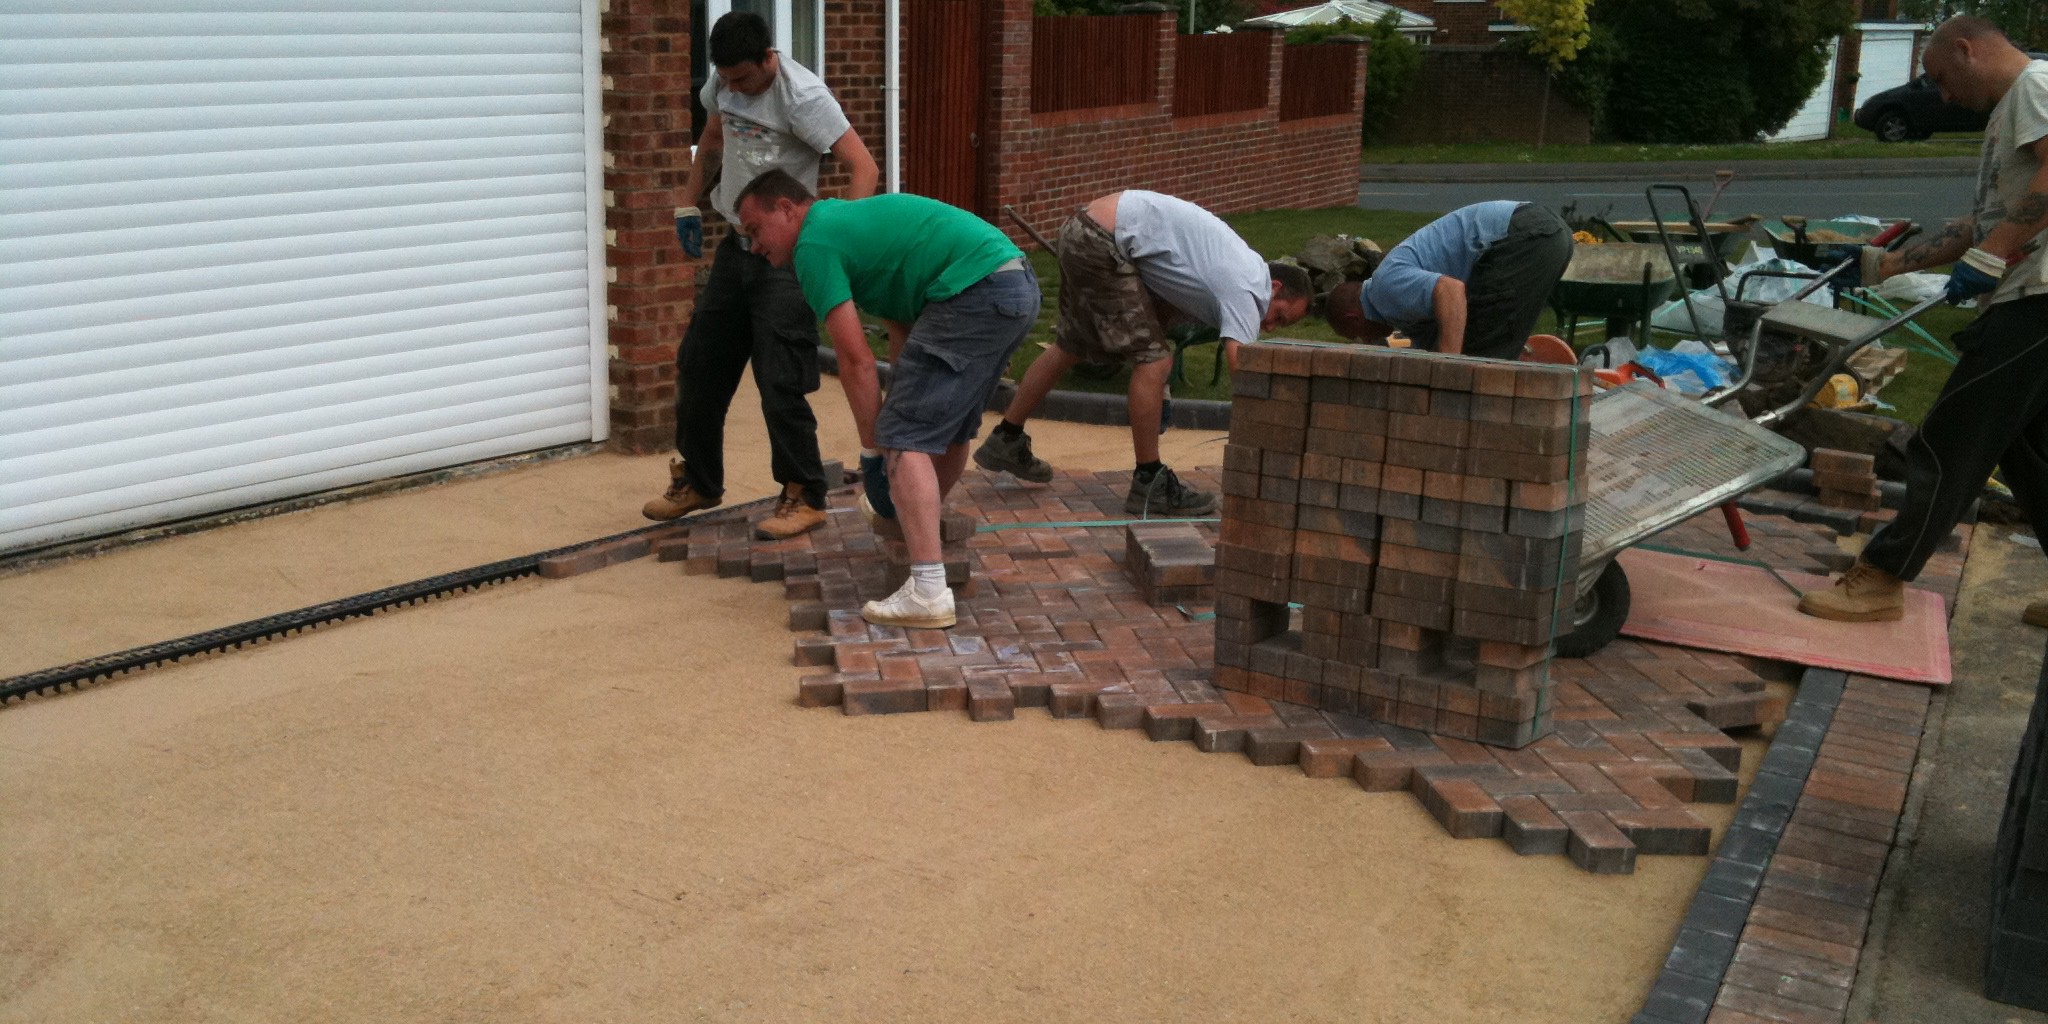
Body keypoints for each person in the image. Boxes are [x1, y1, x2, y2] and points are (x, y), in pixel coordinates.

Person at [1800, 17, 2048, 623]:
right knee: (2028, 453)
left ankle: (1884, 578)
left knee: (1949, 439)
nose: (1942, 94)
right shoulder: (2012, 108)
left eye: (1941, 77)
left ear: (1967, 50)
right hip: (2030, 294)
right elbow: (1981, 227)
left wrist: (1993, 257)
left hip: (2039, 301)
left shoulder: (2036, 87)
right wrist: (1882, 265)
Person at [733, 170, 1039, 630]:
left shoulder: (813, 245)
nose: (755, 246)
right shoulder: (848, 228)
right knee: (945, 430)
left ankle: (928, 590)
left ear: (787, 208)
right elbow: (903, 332)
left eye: (755, 230)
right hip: (1012, 285)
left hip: (975, 290)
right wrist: (898, 423)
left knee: (903, 436)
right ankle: (912, 523)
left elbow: (855, 362)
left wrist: (875, 451)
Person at [641, 11, 879, 541]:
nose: (736, 90)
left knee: (780, 377)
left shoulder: (804, 98)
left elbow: (863, 166)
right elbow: (712, 140)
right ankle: (699, 481)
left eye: (745, 79)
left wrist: (839, 238)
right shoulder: (723, 83)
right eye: (727, 80)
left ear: (769, 58)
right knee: (699, 364)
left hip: (790, 256)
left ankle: (803, 494)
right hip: (738, 245)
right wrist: (687, 201)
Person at [971, 190, 1313, 516]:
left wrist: (1159, 394)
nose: (1270, 327)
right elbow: (1242, 368)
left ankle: (1006, 438)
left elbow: (1157, 313)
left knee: (1073, 346)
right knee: (1155, 361)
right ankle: (1150, 483)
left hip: (1087, 230)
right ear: (1276, 287)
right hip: (1103, 241)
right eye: (1279, 316)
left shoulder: (1231, 266)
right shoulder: (1251, 287)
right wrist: (1280, 424)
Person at [1322, 200, 1573, 361]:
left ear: (1354, 318)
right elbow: (1432, 341)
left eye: (1357, 336)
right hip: (1545, 234)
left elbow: (1450, 290)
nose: (1367, 341)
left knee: (1478, 360)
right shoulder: (1395, 307)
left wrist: (1446, 368)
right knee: (1488, 348)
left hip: (1522, 236)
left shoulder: (1386, 288)